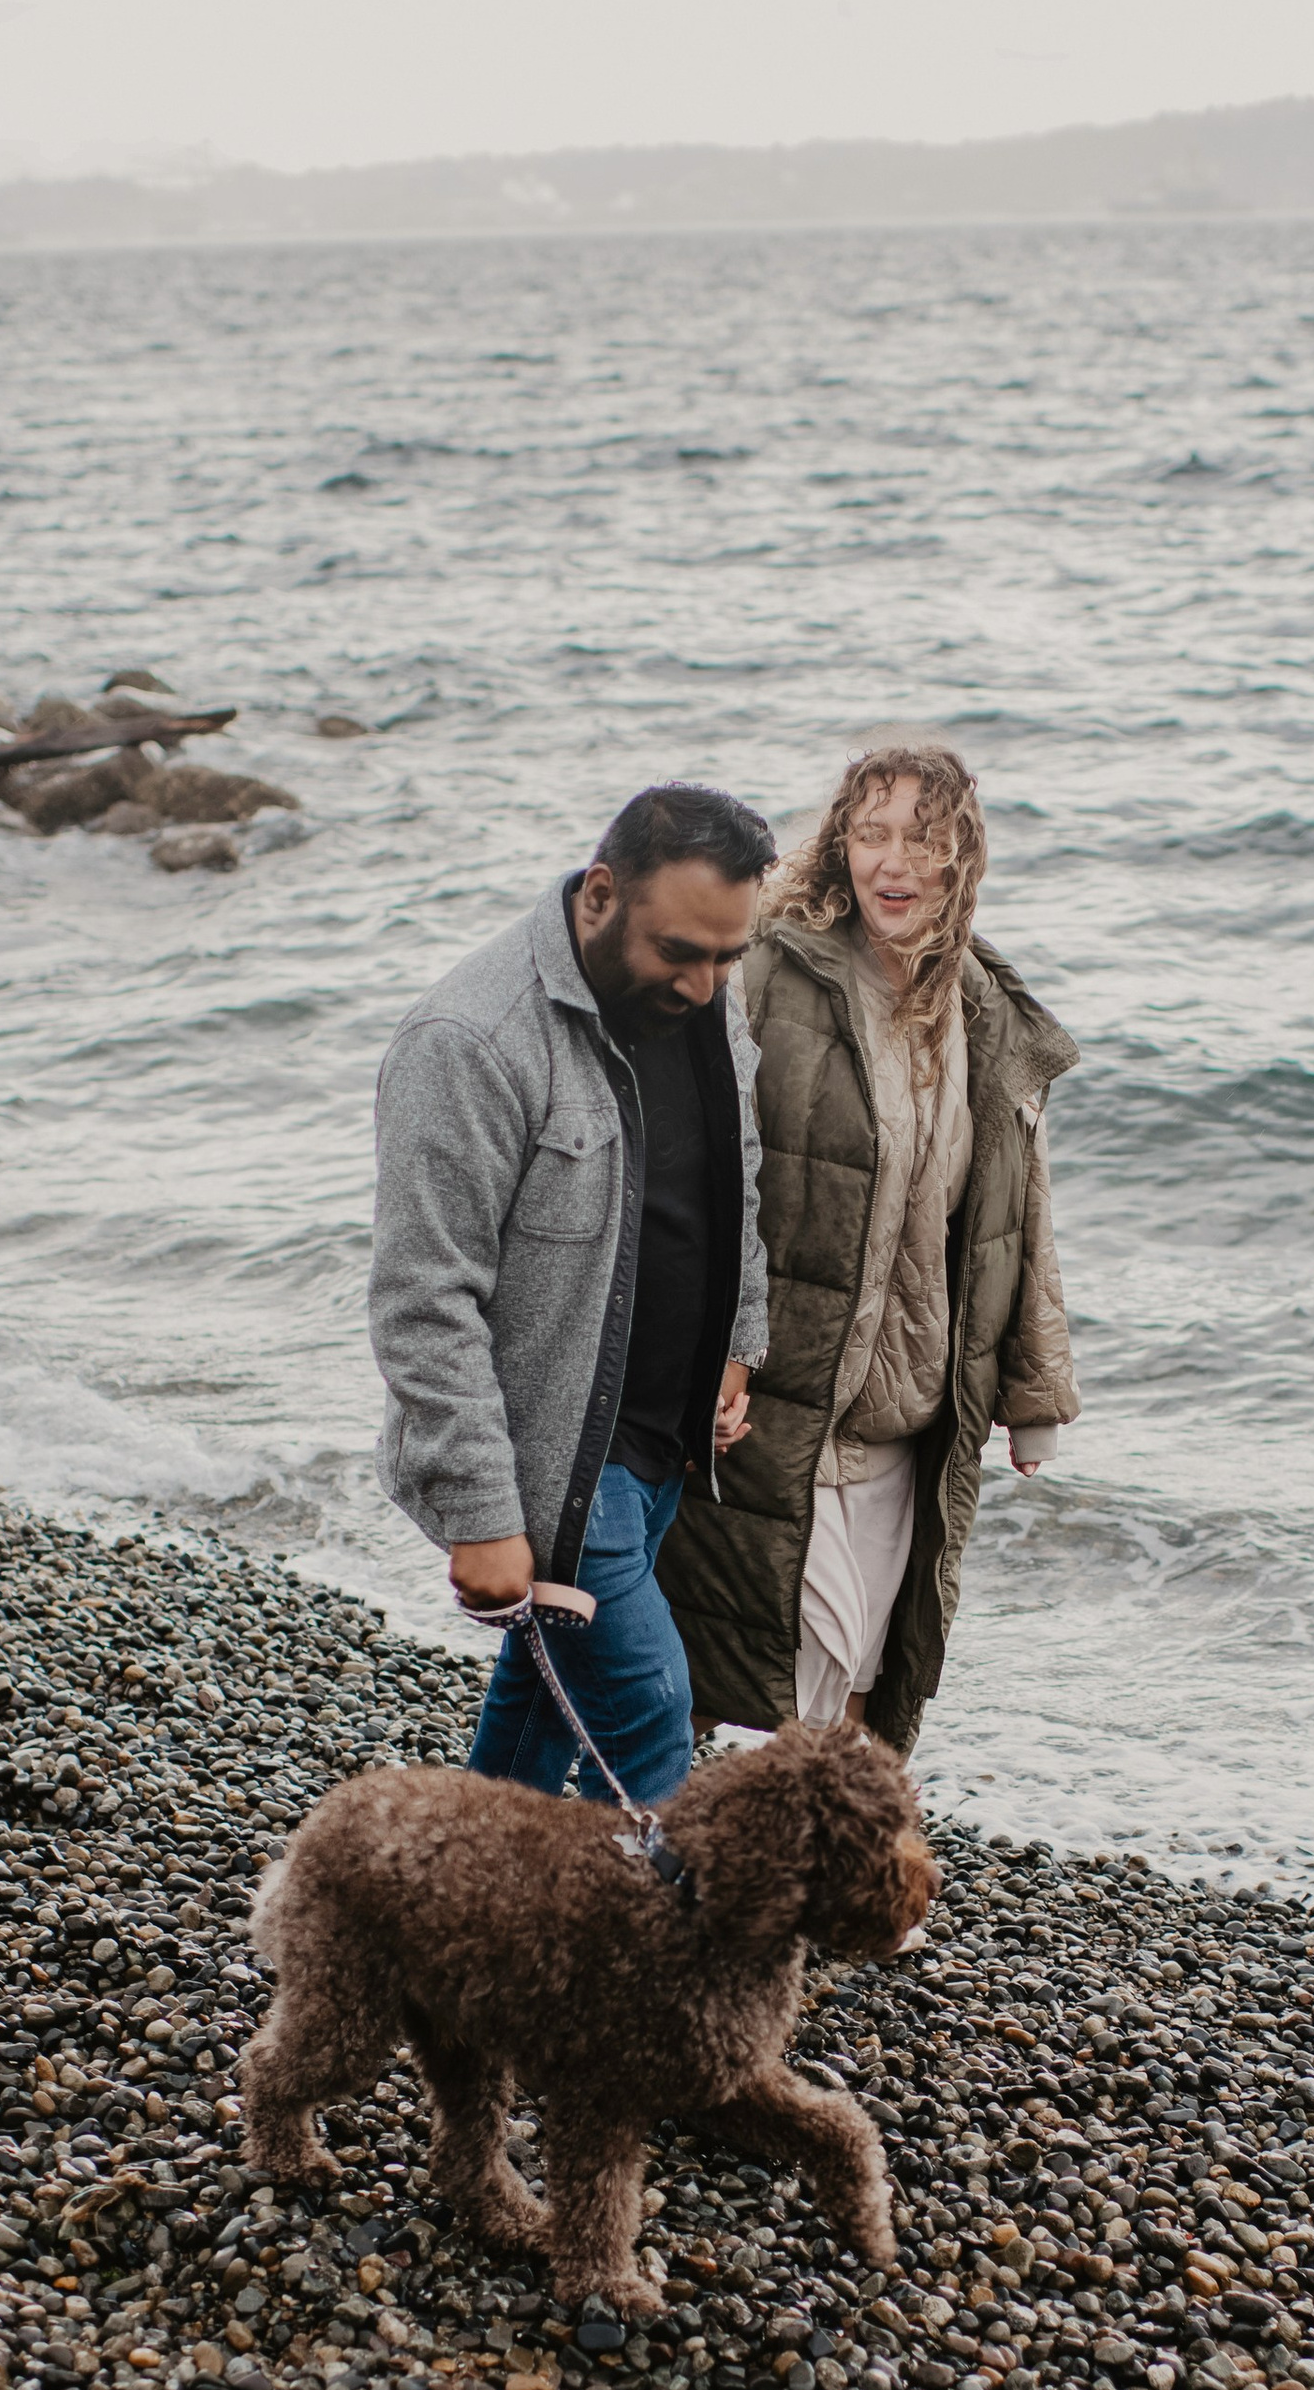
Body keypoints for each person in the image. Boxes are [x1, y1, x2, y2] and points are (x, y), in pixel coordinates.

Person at [659, 739, 1077, 1752]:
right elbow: (695, 1167)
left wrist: (1035, 1397)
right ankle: (653, 1855)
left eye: (924, 839)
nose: (895, 862)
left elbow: (1015, 1215)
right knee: (716, 1658)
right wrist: (702, 1345)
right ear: (840, 842)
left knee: (863, 1684)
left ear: (962, 855)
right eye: (872, 833)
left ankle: (849, 1895)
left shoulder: (982, 1010)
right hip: (774, 1394)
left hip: (907, 1405)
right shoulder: (770, 968)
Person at [370, 782, 775, 1802]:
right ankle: (621, 1955)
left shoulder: (702, 995)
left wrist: (738, 1337)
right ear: (601, 893)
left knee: (548, 1694)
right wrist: (481, 1513)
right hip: (555, 1463)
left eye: (729, 954)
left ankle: (455, 1907)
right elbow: (425, 1299)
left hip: (660, 1438)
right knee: (647, 1720)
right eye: (680, 951)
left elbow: (734, 1173)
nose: (703, 982)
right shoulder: (469, 1042)